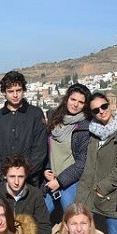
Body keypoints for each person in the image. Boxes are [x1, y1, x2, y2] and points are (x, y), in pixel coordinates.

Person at [75, 93, 117, 234]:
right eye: (96, 110)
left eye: (104, 106)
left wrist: (103, 187)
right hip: (89, 192)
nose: (101, 111)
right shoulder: (92, 132)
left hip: (112, 193)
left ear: (110, 105)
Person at [0, 71, 48, 187]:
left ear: (23, 90)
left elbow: (39, 150)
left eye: (18, 90)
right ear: (4, 93)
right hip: (2, 183)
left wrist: (23, 175)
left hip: (30, 182)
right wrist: (5, 176)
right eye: (10, 91)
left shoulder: (35, 114)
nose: (15, 95)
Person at [43, 84, 92, 215]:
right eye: (73, 99)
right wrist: (47, 169)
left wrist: (60, 181)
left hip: (71, 183)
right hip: (52, 180)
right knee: (39, 219)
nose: (75, 104)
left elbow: (82, 163)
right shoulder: (55, 120)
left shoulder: (84, 128)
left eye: (81, 102)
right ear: (67, 99)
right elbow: (49, 151)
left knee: (73, 221)